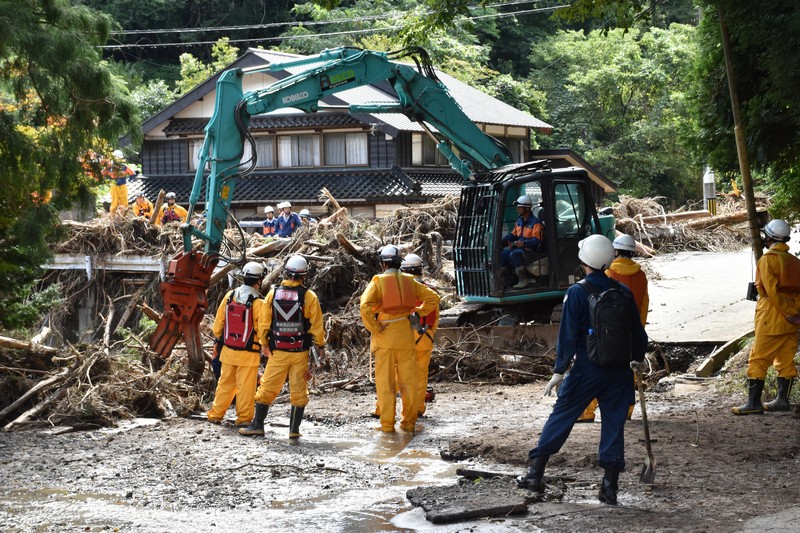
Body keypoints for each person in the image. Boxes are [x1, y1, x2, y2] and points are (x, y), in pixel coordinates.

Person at [516, 234, 647, 505]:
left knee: (562, 416)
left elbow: (567, 337)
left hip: (587, 368)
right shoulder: (623, 291)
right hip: (620, 371)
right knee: (614, 425)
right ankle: (609, 488)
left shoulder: (578, 292)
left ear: (584, 260)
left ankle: (534, 474)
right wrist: (637, 358)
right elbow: (638, 332)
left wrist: (559, 371)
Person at [240, 255, 326, 438]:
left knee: (267, 388)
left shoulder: (273, 294)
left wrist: (264, 344)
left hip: (278, 351)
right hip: (300, 352)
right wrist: (320, 347)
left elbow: (264, 323)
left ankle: (257, 425)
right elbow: (317, 326)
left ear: (286, 273)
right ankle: (294, 431)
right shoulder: (309, 296)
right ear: (304, 275)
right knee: (299, 390)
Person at [359, 245, 439, 433]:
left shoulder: (378, 281)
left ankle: (387, 425)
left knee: (386, 383)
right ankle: (408, 424)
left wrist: (375, 327)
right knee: (409, 382)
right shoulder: (410, 281)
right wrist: (418, 311)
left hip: (385, 338)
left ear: (383, 263)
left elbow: (364, 306)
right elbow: (434, 298)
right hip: (405, 337)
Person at [577, 233, 649, 423]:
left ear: (615, 251)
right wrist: (637, 331)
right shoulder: (641, 276)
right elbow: (643, 306)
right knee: (628, 373)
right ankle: (626, 410)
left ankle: (587, 412)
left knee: (595, 371)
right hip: (631, 334)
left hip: (607, 334)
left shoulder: (609, 274)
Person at [732, 219, 800, 415]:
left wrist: (787, 313)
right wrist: (795, 314)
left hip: (772, 317)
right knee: (785, 360)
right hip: (792, 321)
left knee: (758, 359)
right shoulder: (795, 262)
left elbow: (771, 292)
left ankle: (753, 404)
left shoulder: (767, 260)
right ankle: (782, 401)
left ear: (769, 237)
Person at [207, 262, 265, 426]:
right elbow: (262, 331)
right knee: (245, 389)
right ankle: (244, 419)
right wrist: (265, 346)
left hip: (228, 352)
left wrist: (220, 340)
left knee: (225, 385)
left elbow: (218, 326)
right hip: (248, 355)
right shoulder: (258, 303)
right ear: (259, 280)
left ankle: (216, 415)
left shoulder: (230, 296)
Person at [401, 253, 440, 417]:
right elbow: (435, 318)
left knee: (400, 376)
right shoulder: (430, 291)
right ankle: (417, 409)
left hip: (403, 341)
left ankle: (398, 410)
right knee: (420, 377)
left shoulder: (401, 290)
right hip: (425, 340)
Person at [500, 194, 545, 289]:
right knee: (502, 255)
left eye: (519, 208)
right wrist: (503, 241)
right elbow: (513, 234)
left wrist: (524, 243)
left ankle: (523, 279)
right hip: (522, 249)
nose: (518, 209)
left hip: (531, 251)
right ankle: (507, 280)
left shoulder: (535, 223)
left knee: (514, 254)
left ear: (527, 209)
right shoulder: (519, 221)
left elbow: (538, 241)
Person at [102, 149, 135, 218]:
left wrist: (130, 180)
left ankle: (123, 217)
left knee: (124, 203)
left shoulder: (124, 167)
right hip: (114, 187)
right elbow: (102, 173)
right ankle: (112, 217)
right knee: (114, 203)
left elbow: (132, 173)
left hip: (123, 186)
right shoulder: (109, 167)